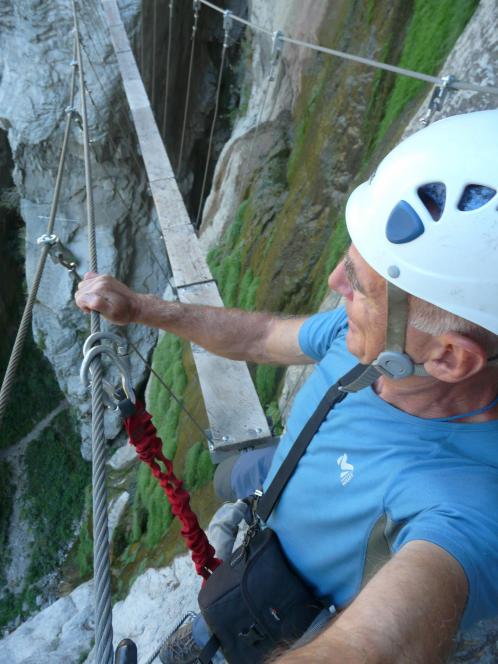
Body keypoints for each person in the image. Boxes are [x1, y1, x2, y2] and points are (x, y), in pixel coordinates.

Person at [75, 110, 498, 663]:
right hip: (268, 518)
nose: (335, 283)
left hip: (291, 623)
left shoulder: (464, 503)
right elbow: (262, 336)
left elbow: (376, 648)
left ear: (448, 358)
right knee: (234, 475)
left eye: (363, 288)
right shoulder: (369, 342)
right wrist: (141, 309)